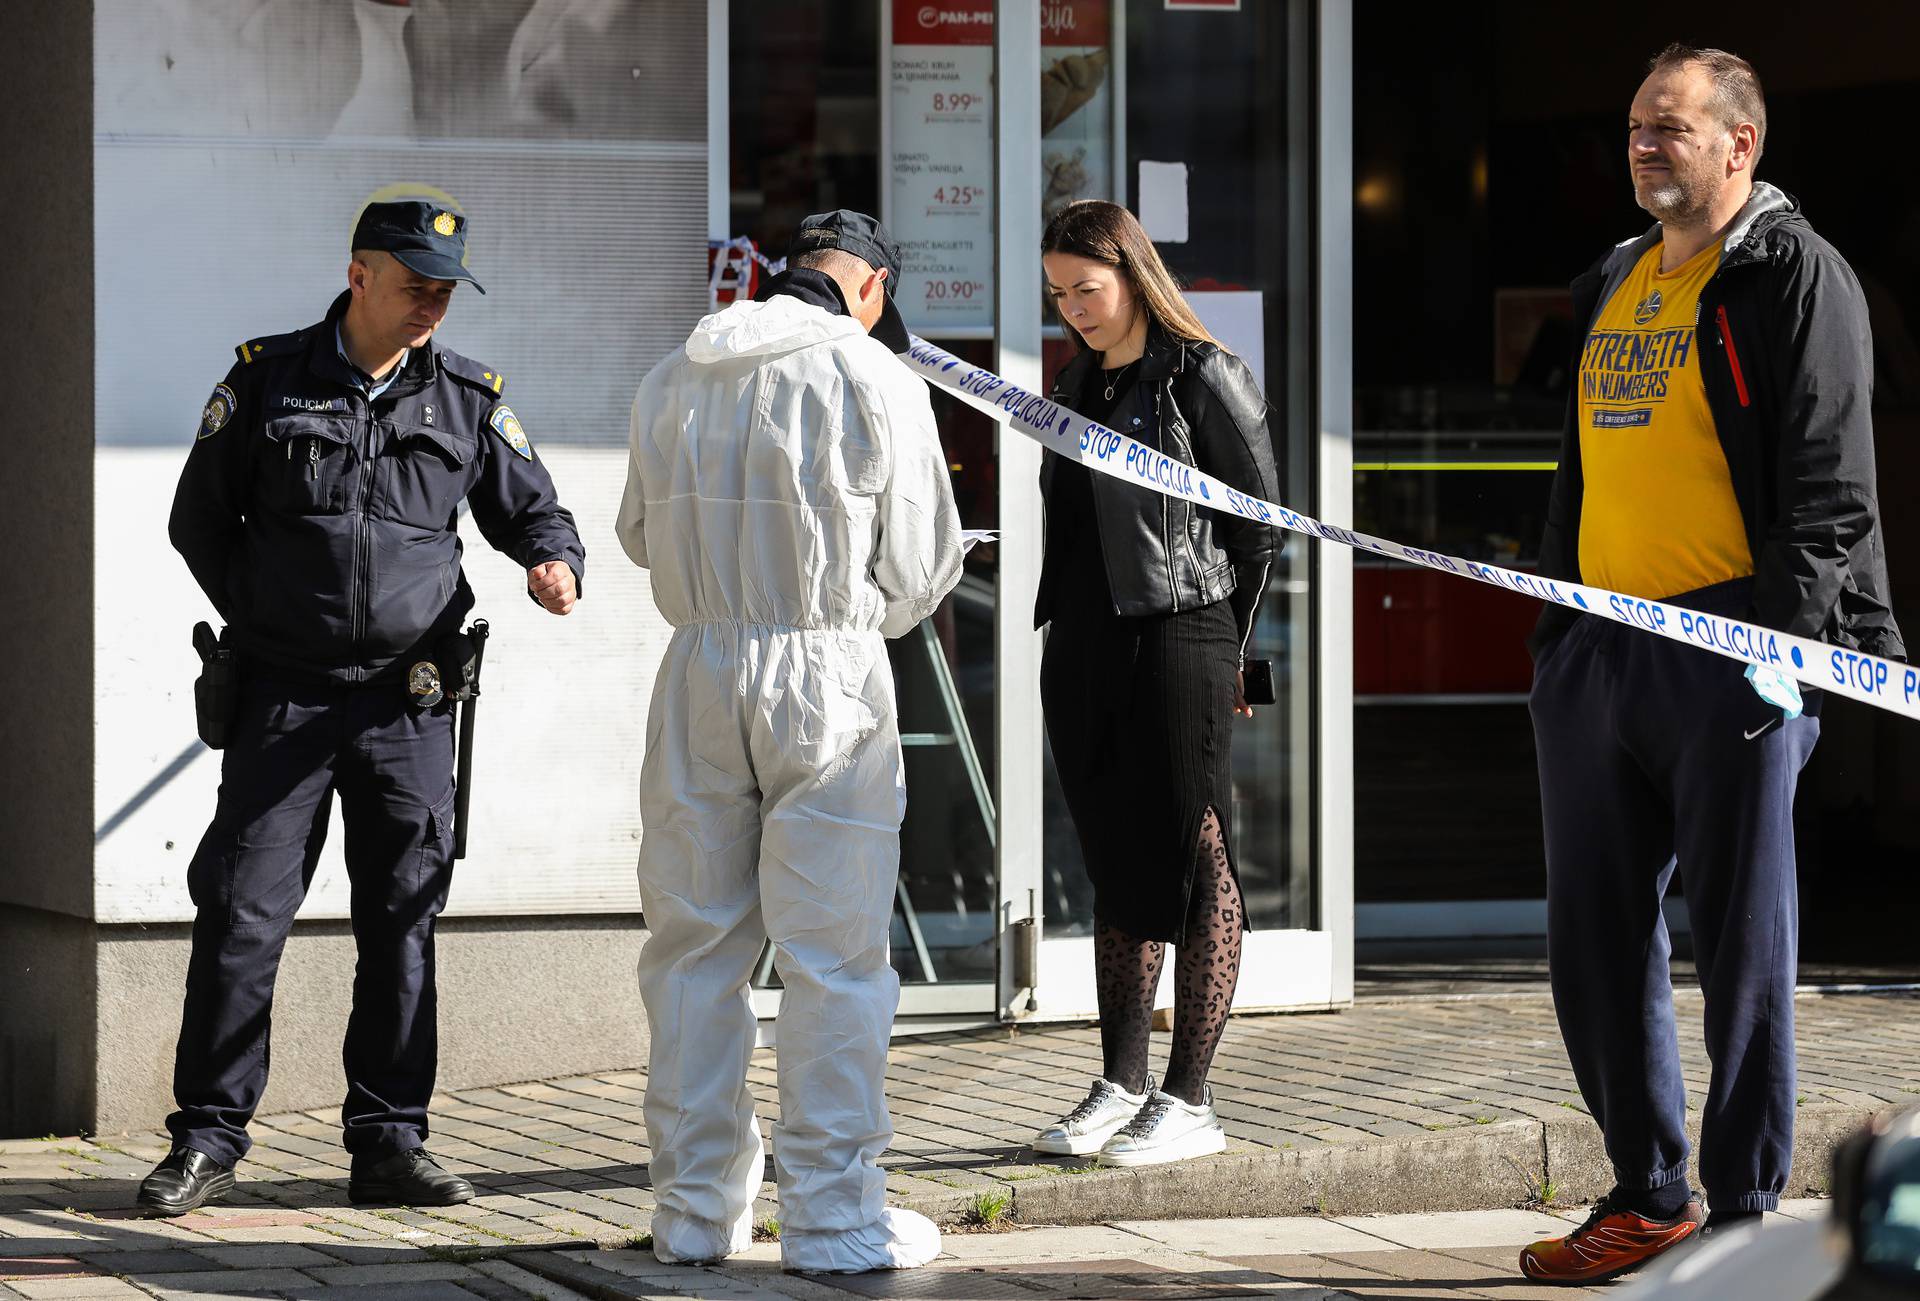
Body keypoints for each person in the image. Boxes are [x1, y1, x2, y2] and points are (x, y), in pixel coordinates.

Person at [1519, 46, 1903, 1284]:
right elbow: (1580, 467)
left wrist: (1776, 651)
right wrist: (1560, 632)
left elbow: (1829, 488)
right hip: (1599, 646)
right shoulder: (1617, 278)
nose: (1642, 146)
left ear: (1740, 143)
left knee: (1742, 940)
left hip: (1733, 645)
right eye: (1634, 126)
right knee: (1593, 934)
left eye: (1669, 128)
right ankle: (1650, 1191)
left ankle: (1741, 1213)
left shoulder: (1797, 274)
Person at [141, 199, 585, 1216]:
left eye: (445, 288)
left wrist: (553, 561)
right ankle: (206, 1139)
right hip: (283, 698)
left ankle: (388, 1142)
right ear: (360, 273)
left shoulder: (468, 399)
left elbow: (534, 509)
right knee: (243, 917)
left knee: (402, 925)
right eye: (416, 281)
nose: (433, 303)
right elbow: (198, 521)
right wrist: (272, 617)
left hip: (409, 703)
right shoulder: (266, 378)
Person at [616, 210, 964, 1273]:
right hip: (824, 671)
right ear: (871, 286)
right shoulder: (874, 378)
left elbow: (636, 533)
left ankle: (693, 1210)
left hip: (698, 669)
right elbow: (919, 563)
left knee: (691, 949)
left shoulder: (677, 371)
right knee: (835, 955)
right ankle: (832, 1215)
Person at [1028, 200, 1281, 1166]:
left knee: (1195, 848)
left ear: (1135, 276)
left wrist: (1239, 660)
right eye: (1059, 295)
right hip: (1087, 640)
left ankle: (1191, 1098)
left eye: (1086, 289)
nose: (1075, 310)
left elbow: (1258, 529)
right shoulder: (1077, 382)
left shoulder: (1206, 376)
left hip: (1184, 632)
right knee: (1116, 853)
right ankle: (1120, 1082)